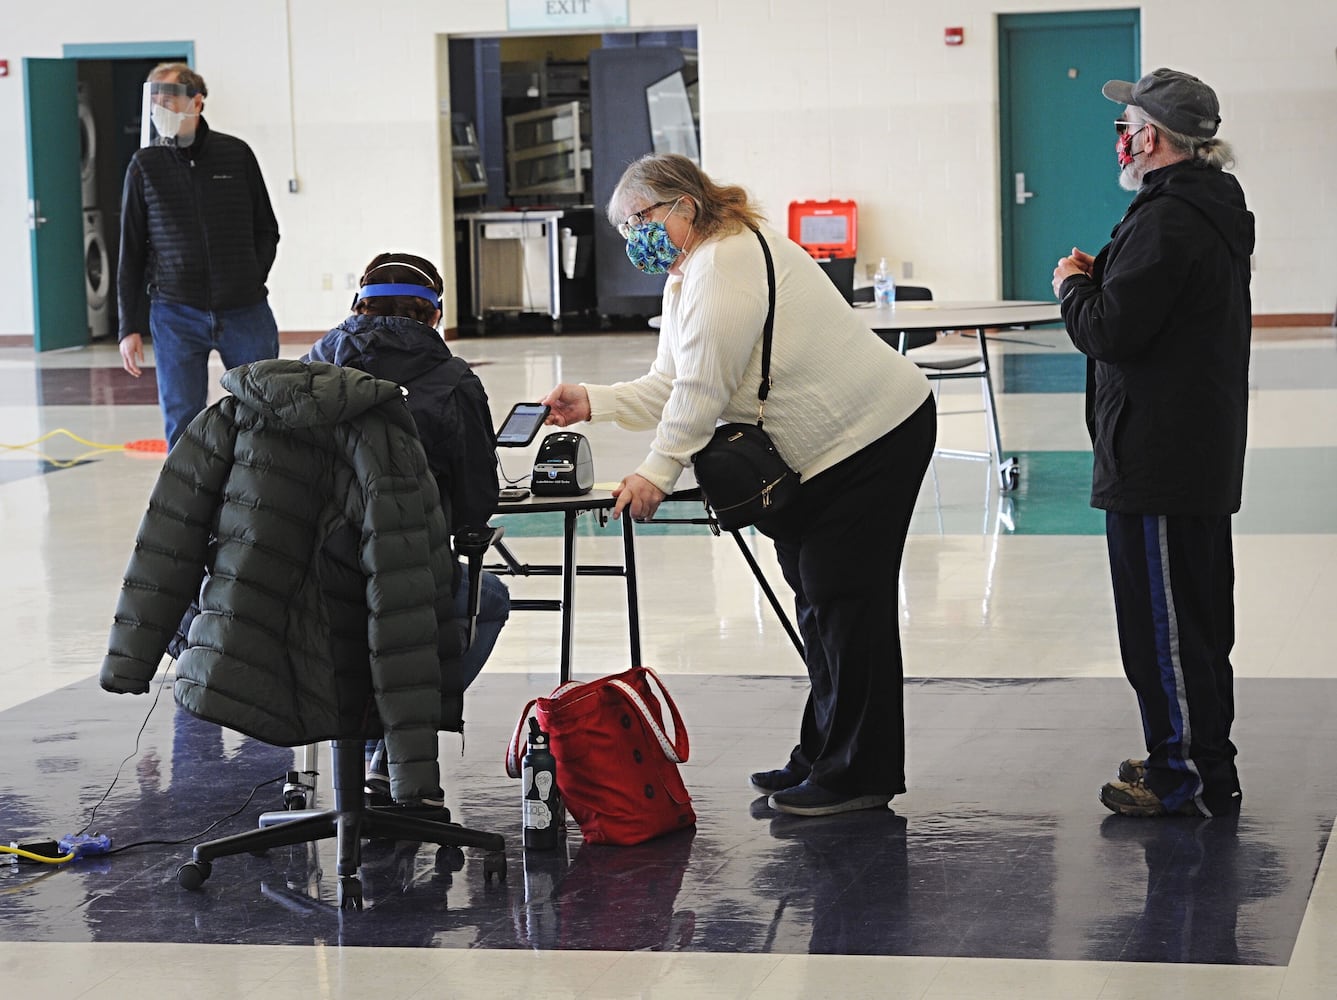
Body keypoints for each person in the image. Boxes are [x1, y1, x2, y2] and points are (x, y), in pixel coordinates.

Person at [541, 154, 936, 818]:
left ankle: (858, 774)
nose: (632, 238)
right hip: (821, 453)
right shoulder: (691, 273)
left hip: (871, 438)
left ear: (682, 208)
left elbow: (702, 391)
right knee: (817, 601)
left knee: (844, 602)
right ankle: (824, 753)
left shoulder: (726, 263)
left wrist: (655, 474)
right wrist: (593, 400)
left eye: (637, 221)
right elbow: (672, 382)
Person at [1051, 68, 1254, 818]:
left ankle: (1183, 774)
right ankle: (1193, 753)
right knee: (1193, 622)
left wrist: (1072, 285)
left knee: (1164, 629)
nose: (1116, 142)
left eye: (1123, 127)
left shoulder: (1168, 220)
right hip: (1182, 450)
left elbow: (1110, 330)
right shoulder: (1199, 209)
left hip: (1159, 458)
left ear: (1153, 137)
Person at [304, 252, 510, 802]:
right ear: (434, 318)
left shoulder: (300, 374)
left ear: (355, 307)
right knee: (486, 598)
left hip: (298, 585)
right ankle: (390, 744)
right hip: (401, 589)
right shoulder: (452, 382)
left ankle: (349, 745)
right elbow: (474, 509)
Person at [117, 62, 281, 448]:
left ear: (197, 102)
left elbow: (266, 229)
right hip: (175, 312)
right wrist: (129, 326)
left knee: (266, 408)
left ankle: (267, 492)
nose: (160, 108)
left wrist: (250, 278)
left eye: (168, 99)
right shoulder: (144, 165)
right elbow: (131, 250)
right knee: (182, 416)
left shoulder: (236, 155)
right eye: (154, 100)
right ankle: (184, 502)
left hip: (245, 310)